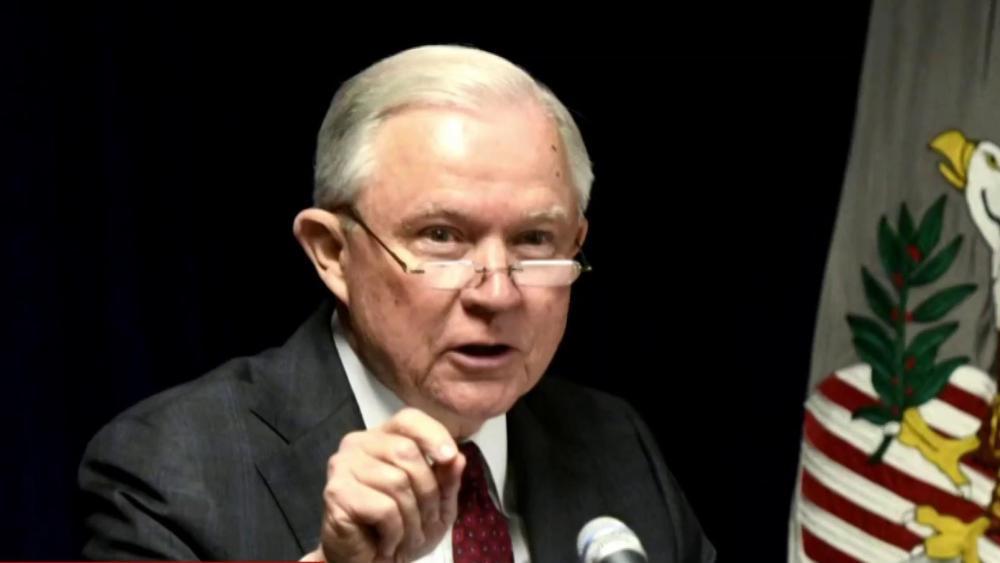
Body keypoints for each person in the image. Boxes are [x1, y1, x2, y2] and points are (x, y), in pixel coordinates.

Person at [78, 44, 715, 563]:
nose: (497, 292)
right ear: (332, 252)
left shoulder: (613, 444)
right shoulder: (174, 468)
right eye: (441, 237)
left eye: (534, 240)